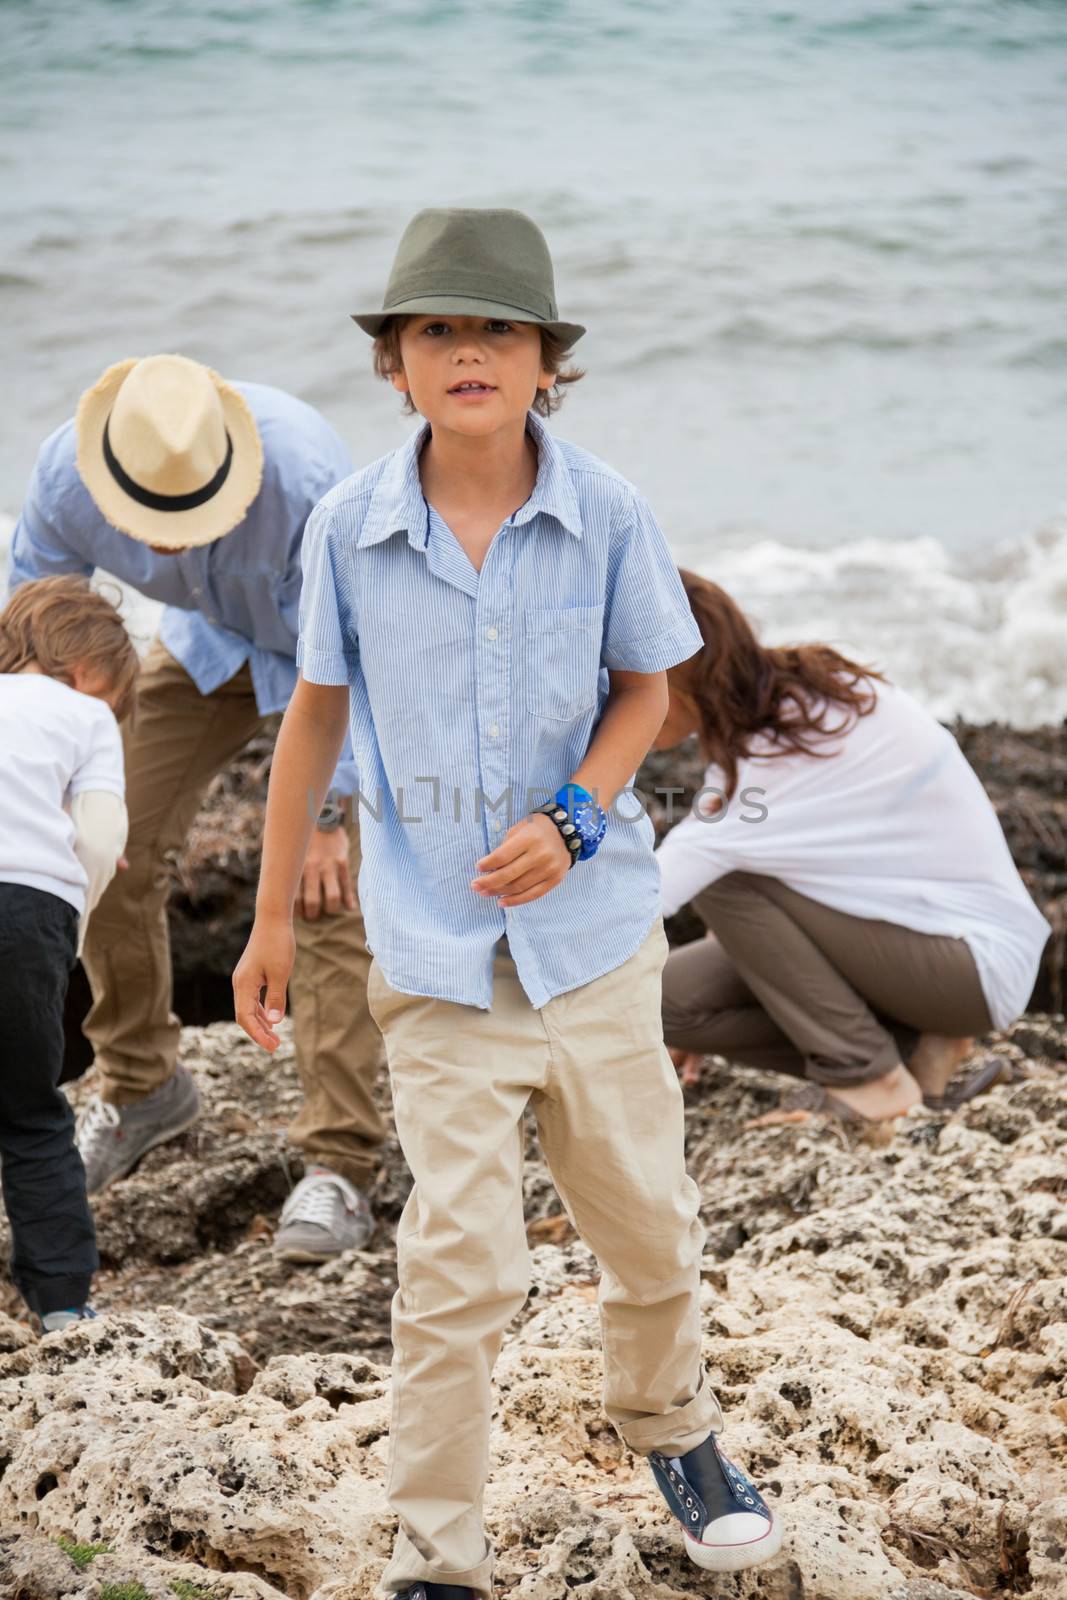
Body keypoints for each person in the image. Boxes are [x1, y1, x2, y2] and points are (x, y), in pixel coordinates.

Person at [234, 207, 785, 1600]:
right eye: (436, 329)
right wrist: (273, 919)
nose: (467, 350)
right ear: (393, 364)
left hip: (594, 942)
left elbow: (647, 690)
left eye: (498, 329)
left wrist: (575, 815)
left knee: (648, 1229)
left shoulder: (605, 510)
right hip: (432, 955)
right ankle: (436, 1559)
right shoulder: (349, 532)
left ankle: (676, 1433)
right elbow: (311, 720)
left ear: (547, 362)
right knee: (455, 1266)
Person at [7, 354, 386, 1259]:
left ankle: (341, 1166)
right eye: (150, 524)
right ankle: (144, 1091)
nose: (168, 543)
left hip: (327, 665)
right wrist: (55, 783)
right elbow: (31, 644)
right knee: (92, 848)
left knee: (321, 892)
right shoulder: (65, 479)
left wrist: (327, 822)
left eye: (192, 519)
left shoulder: (307, 482)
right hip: (207, 648)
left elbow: (358, 654)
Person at [653, 571, 1051, 1123]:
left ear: (671, 674)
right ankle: (917, 1053)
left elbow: (648, 895)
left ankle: (870, 1079)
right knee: (663, 1001)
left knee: (723, 874)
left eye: (620, 678)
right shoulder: (804, 698)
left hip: (969, 967)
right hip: (920, 946)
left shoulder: (775, 755)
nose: (611, 700)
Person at [0, 575, 137, 1331]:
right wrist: (71, 920)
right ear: (91, 672)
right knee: (30, 1114)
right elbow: (98, 837)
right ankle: (60, 1308)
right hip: (27, 911)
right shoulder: (88, 716)